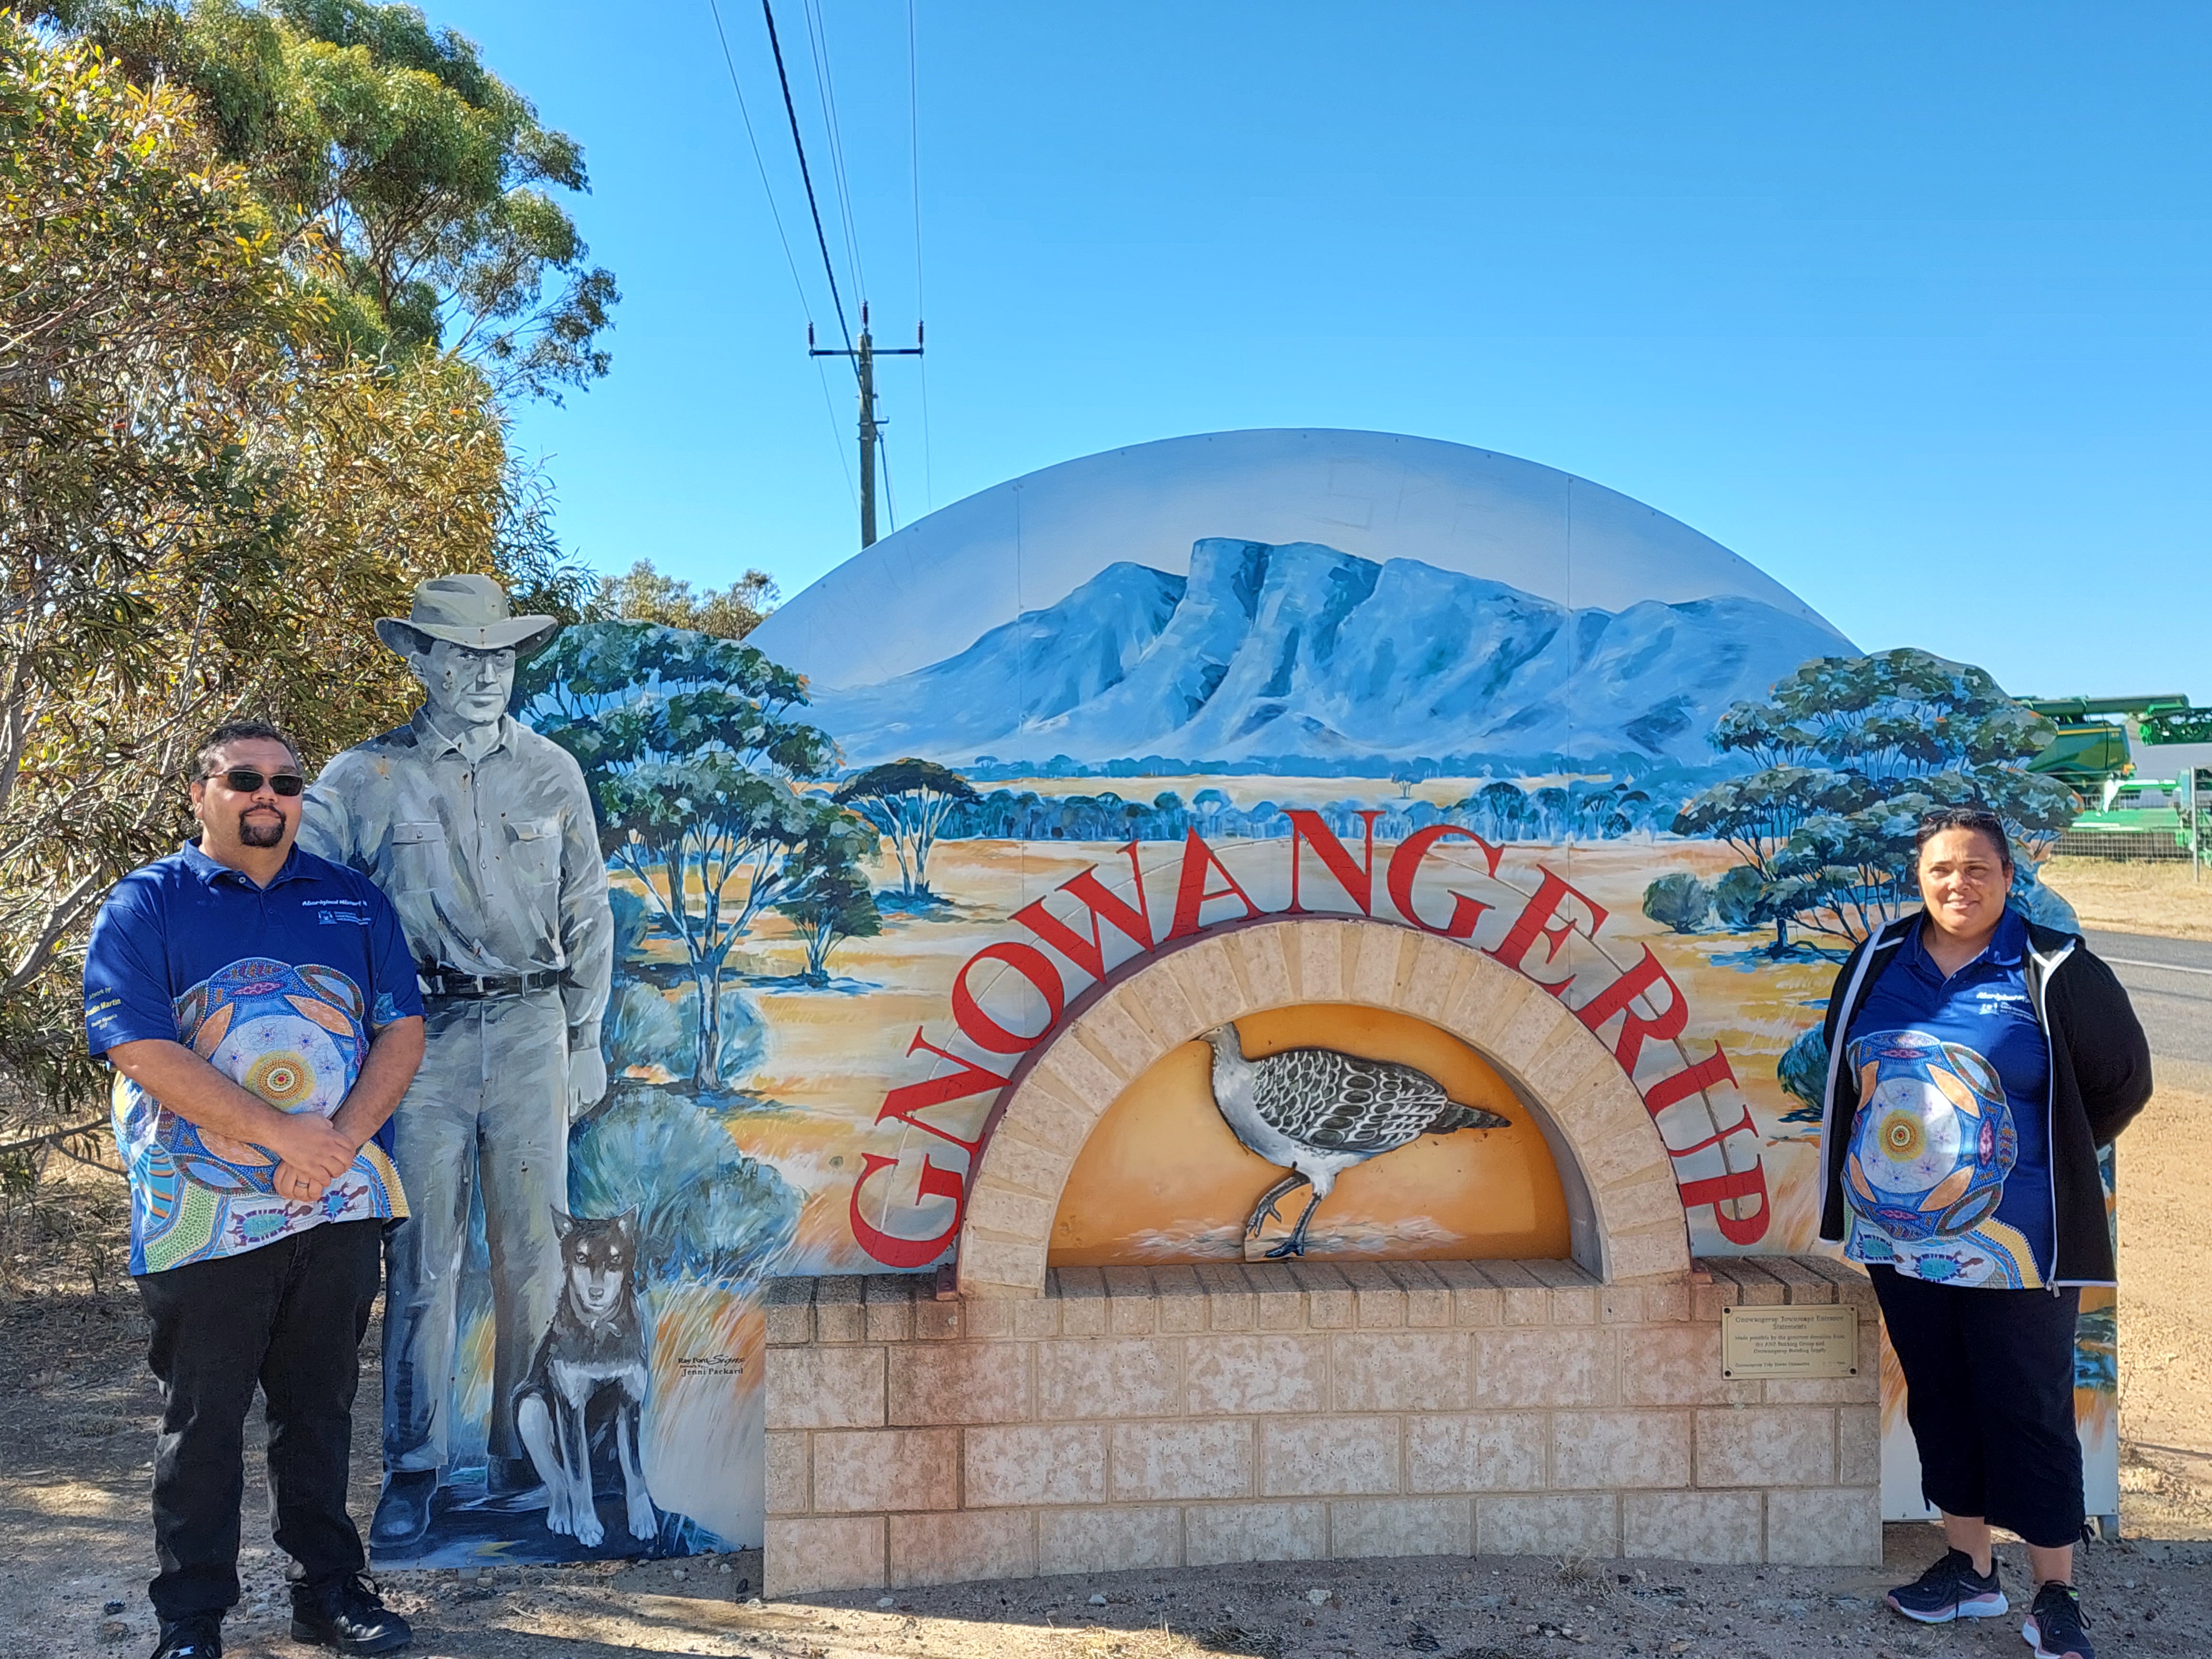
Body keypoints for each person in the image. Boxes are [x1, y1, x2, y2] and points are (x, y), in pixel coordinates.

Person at [83, 721, 424, 1659]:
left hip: (336, 1205)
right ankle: (191, 1620)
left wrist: (336, 1146)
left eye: (285, 779)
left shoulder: (353, 903)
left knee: (318, 1417)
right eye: (244, 778)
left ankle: (330, 1595)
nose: (267, 794)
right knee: (203, 1426)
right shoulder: (146, 904)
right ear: (201, 793)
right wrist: (284, 1134)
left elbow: (401, 1031)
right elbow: (138, 1044)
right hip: (203, 1218)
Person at [299, 574, 612, 1552]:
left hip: (530, 1033)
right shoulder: (362, 777)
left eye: (500, 655)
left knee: (531, 1262)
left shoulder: (553, 771)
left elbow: (587, 909)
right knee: (424, 1260)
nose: (485, 674)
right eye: (464, 655)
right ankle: (414, 1469)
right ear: (422, 661)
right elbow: (300, 883)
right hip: (417, 1043)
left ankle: (520, 1455)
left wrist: (586, 1038)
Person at [1817, 806, 2150, 1659]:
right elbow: (1846, 1066)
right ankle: (1969, 1571)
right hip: (1901, 1238)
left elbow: (2120, 1084)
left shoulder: (2056, 968)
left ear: (2009, 877)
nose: (1958, 885)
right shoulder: (1878, 963)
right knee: (1940, 1396)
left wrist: (2031, 1160)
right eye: (1941, 870)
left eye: (1977, 869)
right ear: (1918, 878)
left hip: (2019, 1245)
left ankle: (2054, 1591)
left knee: (2029, 1408)